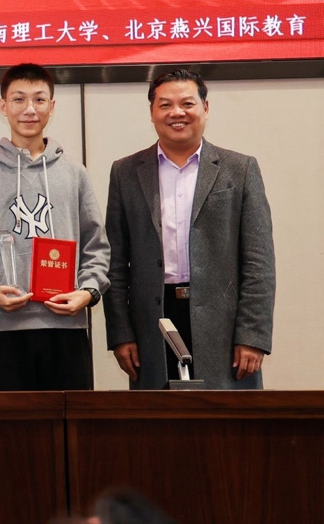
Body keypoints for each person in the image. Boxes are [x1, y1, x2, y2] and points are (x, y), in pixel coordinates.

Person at [104, 69, 275, 390]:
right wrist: (121, 334)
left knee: (225, 418)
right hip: (152, 322)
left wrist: (253, 335)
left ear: (205, 108)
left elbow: (259, 262)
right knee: (159, 417)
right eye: (165, 105)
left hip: (224, 327)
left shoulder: (240, 169)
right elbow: (114, 263)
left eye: (187, 103)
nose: (177, 113)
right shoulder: (125, 172)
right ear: (152, 112)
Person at [0, 64, 110, 391]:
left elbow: (96, 247)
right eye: (19, 99)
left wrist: (87, 291)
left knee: (69, 422)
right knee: (8, 423)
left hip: (66, 329)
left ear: (52, 106)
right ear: (3, 105)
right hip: (2, 331)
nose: (29, 109)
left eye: (39, 99)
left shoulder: (74, 174)